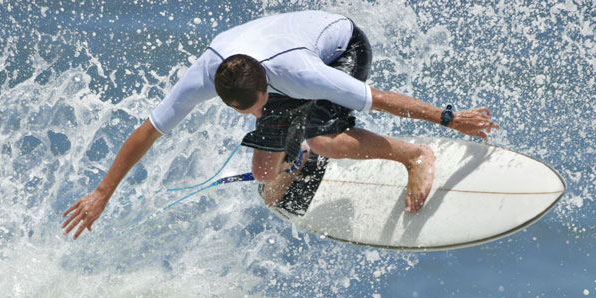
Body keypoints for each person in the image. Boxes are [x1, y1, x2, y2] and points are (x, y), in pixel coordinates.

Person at [62, 10, 498, 239]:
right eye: (248, 113)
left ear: (266, 89)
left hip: (340, 45)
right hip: (272, 64)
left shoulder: (302, 73)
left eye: (260, 109)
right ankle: (303, 156)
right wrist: (102, 193)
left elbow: (377, 100)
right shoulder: (204, 77)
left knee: (322, 138)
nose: (257, 116)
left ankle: (412, 155)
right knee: (266, 180)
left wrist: (449, 118)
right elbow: (146, 134)